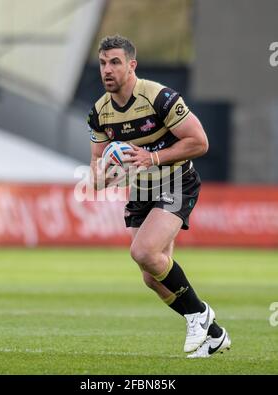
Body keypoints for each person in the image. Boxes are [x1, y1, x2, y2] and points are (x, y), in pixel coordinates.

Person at [87, 34, 231, 358]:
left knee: (143, 251)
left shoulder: (159, 98)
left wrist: (151, 157)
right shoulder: (99, 113)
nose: (107, 70)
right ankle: (214, 334)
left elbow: (200, 142)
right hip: (142, 190)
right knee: (152, 278)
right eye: (102, 63)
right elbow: (96, 174)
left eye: (115, 62)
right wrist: (111, 172)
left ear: (131, 65)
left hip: (177, 180)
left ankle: (198, 314)